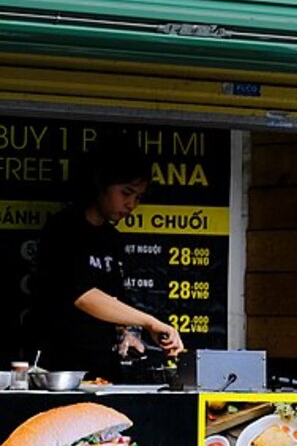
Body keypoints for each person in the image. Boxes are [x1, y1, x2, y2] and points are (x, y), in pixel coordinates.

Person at [28, 143, 184, 379]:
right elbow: (83, 296)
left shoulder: (112, 239)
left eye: (138, 197)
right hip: (59, 368)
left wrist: (127, 333)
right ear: (101, 183)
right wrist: (150, 322)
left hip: (103, 368)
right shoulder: (64, 228)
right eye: (126, 193)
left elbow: (113, 301)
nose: (131, 205)